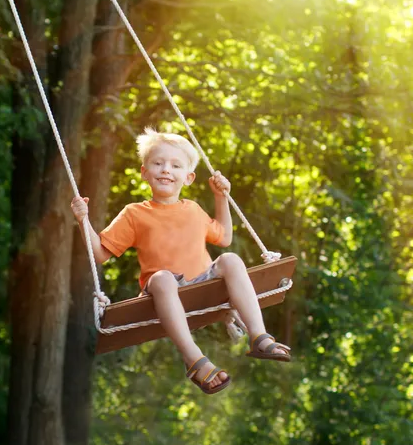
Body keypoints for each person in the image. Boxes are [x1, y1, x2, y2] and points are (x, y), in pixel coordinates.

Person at [70, 128, 291, 395]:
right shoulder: (134, 213)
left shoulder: (194, 210)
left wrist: (221, 197)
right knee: (162, 277)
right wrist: (84, 221)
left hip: (202, 285)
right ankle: (194, 359)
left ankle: (259, 336)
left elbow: (224, 237)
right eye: (158, 163)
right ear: (144, 172)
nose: (166, 170)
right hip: (162, 291)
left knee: (231, 259)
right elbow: (101, 253)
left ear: (188, 177)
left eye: (175, 166)